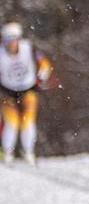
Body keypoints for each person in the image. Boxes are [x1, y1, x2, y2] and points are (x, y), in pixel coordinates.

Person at [0, 22, 52, 164]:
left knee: (27, 122)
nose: (11, 44)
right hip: (7, 93)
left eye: (14, 39)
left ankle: (28, 152)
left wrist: (42, 75)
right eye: (8, 40)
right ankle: (7, 153)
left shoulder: (28, 48)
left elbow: (44, 64)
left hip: (28, 90)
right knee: (12, 123)